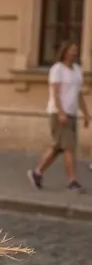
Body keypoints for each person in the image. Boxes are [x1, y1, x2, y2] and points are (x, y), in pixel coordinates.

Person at [28, 41, 89, 193]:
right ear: (65, 52)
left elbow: (79, 94)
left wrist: (86, 113)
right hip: (58, 114)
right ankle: (72, 181)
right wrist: (60, 112)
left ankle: (37, 173)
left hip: (72, 113)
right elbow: (55, 93)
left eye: (76, 51)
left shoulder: (77, 70)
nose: (75, 53)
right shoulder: (57, 69)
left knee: (57, 147)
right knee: (68, 147)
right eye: (72, 51)